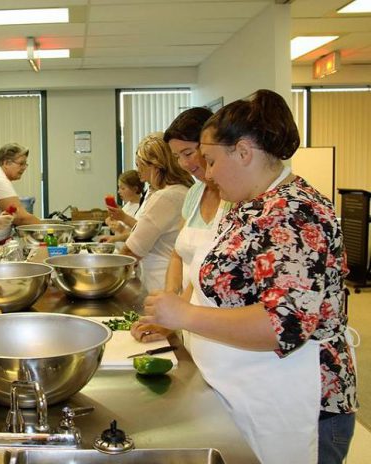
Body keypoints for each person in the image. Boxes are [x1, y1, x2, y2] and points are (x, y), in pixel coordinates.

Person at [139, 89, 358, 464]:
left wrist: (184, 316)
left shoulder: (295, 213)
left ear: (243, 152)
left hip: (301, 402)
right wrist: (175, 314)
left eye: (210, 160)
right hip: (253, 388)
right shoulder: (250, 206)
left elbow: (282, 326)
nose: (205, 173)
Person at [132, 108, 227, 346]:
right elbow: (177, 253)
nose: (184, 164)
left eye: (188, 153)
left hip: (211, 319)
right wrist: (169, 299)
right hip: (188, 318)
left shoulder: (234, 197)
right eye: (177, 157)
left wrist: (178, 312)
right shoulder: (195, 194)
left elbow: (205, 265)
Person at [119, 133, 194, 292]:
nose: (137, 169)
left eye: (139, 164)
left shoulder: (166, 197)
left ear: (155, 165)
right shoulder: (182, 190)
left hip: (160, 280)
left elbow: (132, 250)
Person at [0, 142, 41, 230]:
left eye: (25, 164)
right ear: (6, 163)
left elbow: (13, 212)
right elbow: (21, 218)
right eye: (21, 164)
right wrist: (48, 229)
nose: (24, 167)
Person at [101, 169, 145, 241]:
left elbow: (139, 236)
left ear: (135, 189)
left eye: (123, 188)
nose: (119, 191)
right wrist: (112, 223)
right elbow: (118, 229)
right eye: (119, 187)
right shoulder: (127, 205)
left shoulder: (141, 208)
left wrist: (121, 229)